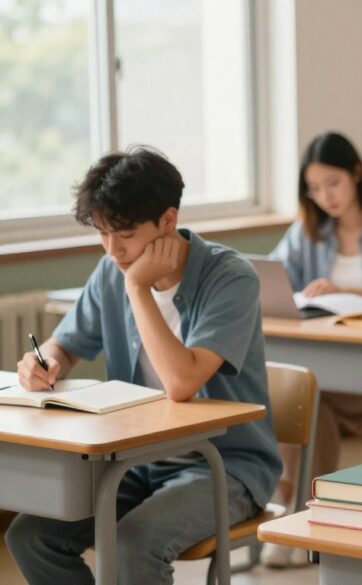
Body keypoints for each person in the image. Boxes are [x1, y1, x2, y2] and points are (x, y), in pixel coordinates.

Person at [5, 146, 281, 584]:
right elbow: (66, 345)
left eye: (126, 235)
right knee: (31, 536)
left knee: (133, 544)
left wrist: (137, 287)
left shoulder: (231, 278)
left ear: (168, 221)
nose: (113, 251)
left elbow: (181, 382)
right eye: (103, 234)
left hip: (224, 466)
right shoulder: (111, 269)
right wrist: (42, 363)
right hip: (136, 461)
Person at [263, 131, 362, 567]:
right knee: (308, 398)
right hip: (325, 372)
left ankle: (294, 508)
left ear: (355, 173)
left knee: (306, 395)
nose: (324, 197)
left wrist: (342, 290)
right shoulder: (308, 230)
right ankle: (311, 524)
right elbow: (274, 277)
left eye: (332, 183)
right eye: (314, 189)